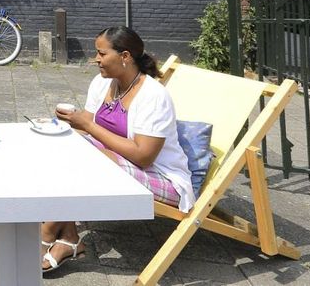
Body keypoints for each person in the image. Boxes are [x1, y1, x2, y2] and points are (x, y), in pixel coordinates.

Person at [41, 26, 195, 273]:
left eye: (101, 54)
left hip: (161, 177)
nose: (96, 60)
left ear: (125, 56)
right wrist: (69, 127)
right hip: (119, 161)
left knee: (90, 157)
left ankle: (49, 229)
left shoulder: (153, 96)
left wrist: (88, 125)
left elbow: (144, 157)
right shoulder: (103, 84)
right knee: (64, 144)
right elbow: (87, 130)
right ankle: (68, 235)